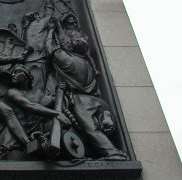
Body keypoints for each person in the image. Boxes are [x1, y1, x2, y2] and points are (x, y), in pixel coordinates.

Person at [45, 14, 127, 160]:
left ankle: (112, 152)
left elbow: (49, 48)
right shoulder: (90, 63)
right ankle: (105, 117)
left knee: (91, 129)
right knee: (99, 125)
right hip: (98, 100)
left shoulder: (68, 61)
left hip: (81, 102)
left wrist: (52, 30)